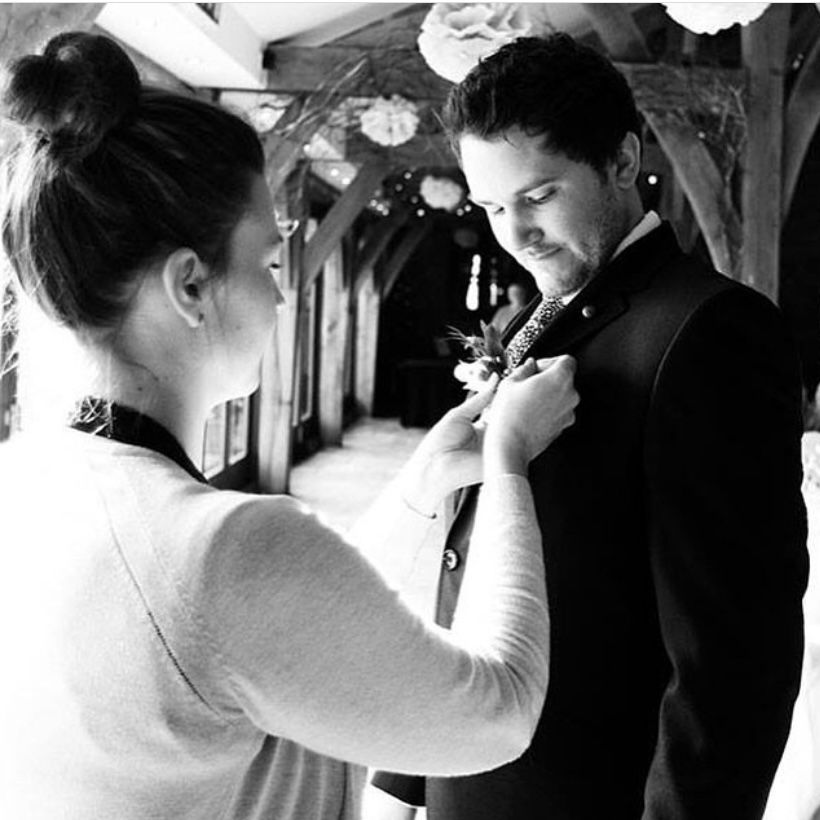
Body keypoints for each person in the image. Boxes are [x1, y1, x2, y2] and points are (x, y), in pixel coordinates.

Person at [0, 33, 581, 819]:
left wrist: (420, 486)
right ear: (191, 285)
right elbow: (497, 713)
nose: (282, 297)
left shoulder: (25, 481)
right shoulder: (223, 550)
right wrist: (509, 458)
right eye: (269, 265)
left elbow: (279, 629)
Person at [370, 34, 808, 819]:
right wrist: (410, 776)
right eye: (492, 207)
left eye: (538, 196)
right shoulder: (524, 324)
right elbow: (470, 562)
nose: (515, 234)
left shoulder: (712, 332)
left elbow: (733, 659)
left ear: (621, 160)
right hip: (469, 775)